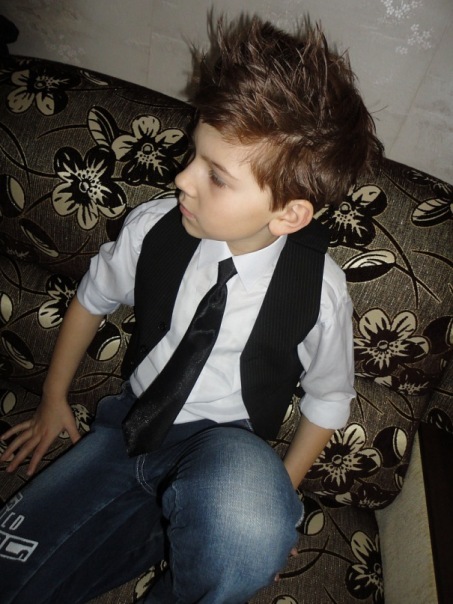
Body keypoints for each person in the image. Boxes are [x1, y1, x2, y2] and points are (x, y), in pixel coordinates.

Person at [0, 15, 383, 604]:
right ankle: (159, 530)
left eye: (216, 176)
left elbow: (329, 398)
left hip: (226, 455)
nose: (182, 178)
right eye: (193, 155)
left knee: (248, 529)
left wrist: (277, 494)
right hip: (126, 432)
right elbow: (92, 299)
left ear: (289, 215)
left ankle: (209, 541)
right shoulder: (154, 228)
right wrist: (54, 397)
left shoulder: (319, 290)